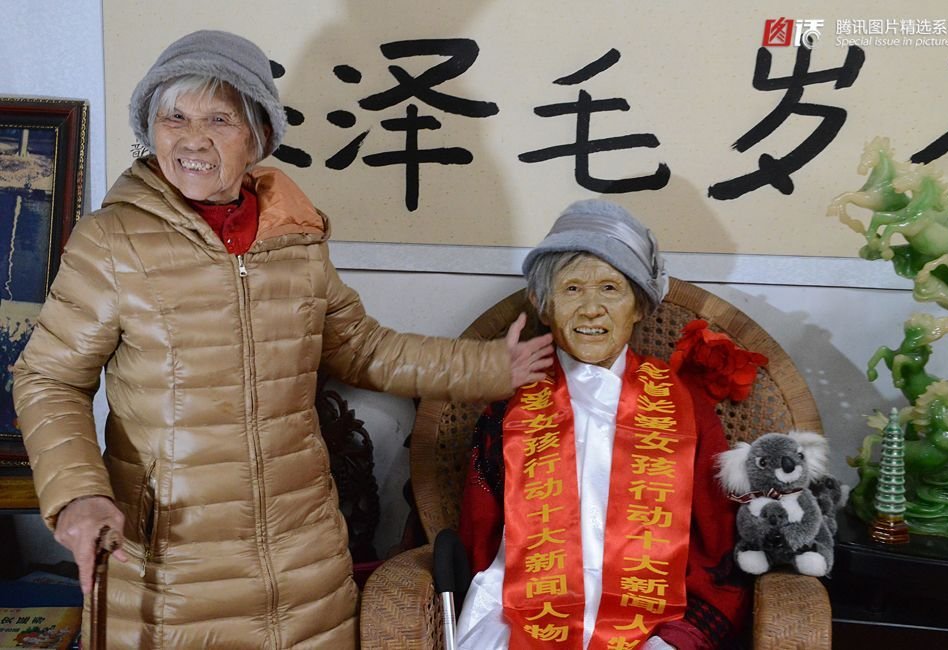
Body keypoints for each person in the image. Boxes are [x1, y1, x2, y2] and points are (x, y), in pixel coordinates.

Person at [12, 30, 552, 649]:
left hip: (303, 559)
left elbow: (364, 348)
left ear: (258, 136)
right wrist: (77, 493)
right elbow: (49, 378)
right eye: (174, 118)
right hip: (171, 569)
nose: (192, 139)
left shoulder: (294, 236)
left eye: (219, 119)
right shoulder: (111, 242)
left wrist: (492, 367)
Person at [455, 200, 751, 649]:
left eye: (610, 288)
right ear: (543, 305)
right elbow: (478, 537)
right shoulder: (508, 408)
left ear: (639, 306)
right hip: (520, 613)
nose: (591, 309)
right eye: (572, 289)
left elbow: (717, 547)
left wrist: (677, 639)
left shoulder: (687, 407)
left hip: (656, 627)